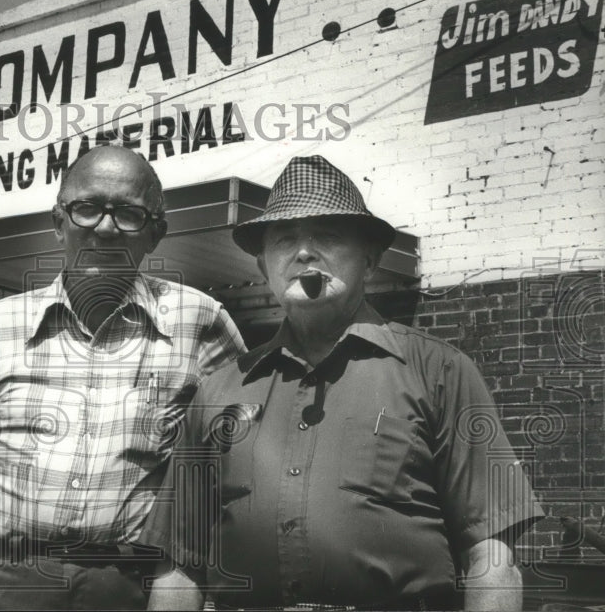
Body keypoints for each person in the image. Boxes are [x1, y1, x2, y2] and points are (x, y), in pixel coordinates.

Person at [144, 155, 544, 611]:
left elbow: (491, 556)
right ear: (263, 265)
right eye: (286, 239)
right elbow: (180, 566)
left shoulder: (441, 372)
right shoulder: (219, 390)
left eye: (328, 237)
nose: (304, 252)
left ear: (370, 260)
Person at [0, 145, 247, 610]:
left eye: (129, 214)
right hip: (6, 586)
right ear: (58, 222)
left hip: (132, 588)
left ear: (156, 234)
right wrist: (14, 561)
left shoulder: (202, 322)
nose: (106, 228)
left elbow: (235, 474)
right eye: (87, 209)